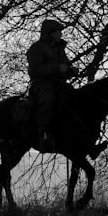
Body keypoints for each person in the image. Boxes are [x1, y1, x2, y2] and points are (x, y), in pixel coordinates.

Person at [26, 18, 77, 150]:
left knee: (77, 98)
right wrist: (56, 68)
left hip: (59, 83)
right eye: (58, 31)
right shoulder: (36, 48)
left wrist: (70, 70)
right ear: (50, 33)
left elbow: (65, 65)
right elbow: (35, 69)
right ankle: (44, 132)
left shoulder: (59, 48)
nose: (61, 34)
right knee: (48, 98)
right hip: (41, 83)